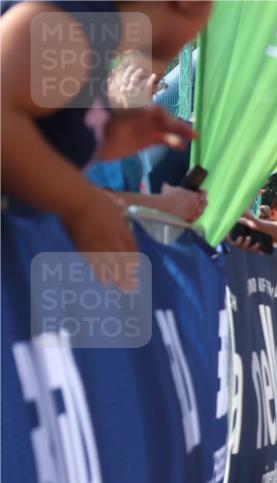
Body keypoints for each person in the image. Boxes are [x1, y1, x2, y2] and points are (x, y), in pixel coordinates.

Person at [1, 1, 211, 289]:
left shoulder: (92, 39)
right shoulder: (72, 25)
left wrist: (110, 138)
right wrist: (84, 204)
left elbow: (42, 142)